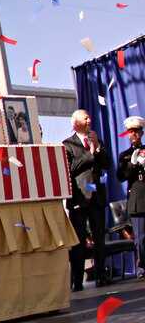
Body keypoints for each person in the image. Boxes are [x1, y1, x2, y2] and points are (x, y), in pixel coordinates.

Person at [63, 109, 113, 292]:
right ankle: (77, 280)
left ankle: (101, 275)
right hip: (80, 198)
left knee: (99, 238)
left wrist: (97, 148)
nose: (89, 119)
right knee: (79, 241)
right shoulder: (68, 144)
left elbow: (107, 164)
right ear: (75, 122)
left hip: (97, 197)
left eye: (90, 117)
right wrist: (90, 153)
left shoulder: (97, 141)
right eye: (86, 118)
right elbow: (70, 168)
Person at [116, 116, 145, 278]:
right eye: (131, 132)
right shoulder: (124, 155)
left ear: (141, 132)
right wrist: (133, 165)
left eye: (136, 131)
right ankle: (142, 269)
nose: (134, 134)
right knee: (140, 239)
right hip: (136, 199)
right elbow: (121, 176)